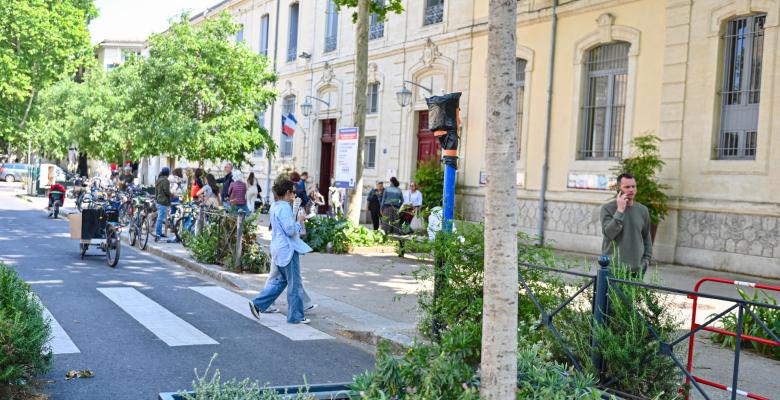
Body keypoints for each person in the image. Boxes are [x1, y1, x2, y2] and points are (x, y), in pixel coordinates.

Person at [249, 179, 313, 324]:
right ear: (287, 193)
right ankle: (295, 316)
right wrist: (299, 221)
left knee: (282, 281)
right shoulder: (284, 208)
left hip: (278, 247)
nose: (294, 195)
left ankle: (258, 304)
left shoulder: (275, 206)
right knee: (294, 284)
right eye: (293, 192)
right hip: (287, 249)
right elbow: (290, 230)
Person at [600, 172, 653, 276]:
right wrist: (620, 211)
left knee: (633, 293)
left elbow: (646, 236)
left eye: (633, 186)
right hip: (614, 269)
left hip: (637, 269)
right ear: (619, 188)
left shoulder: (643, 210)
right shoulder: (608, 208)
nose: (631, 190)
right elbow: (609, 234)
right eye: (627, 187)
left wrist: (646, 260)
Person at [155, 167, 173, 238]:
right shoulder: (165, 180)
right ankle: (158, 234)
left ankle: (159, 233)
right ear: (168, 173)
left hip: (158, 200)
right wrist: (172, 195)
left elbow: (156, 191)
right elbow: (166, 191)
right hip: (163, 201)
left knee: (160, 218)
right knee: (160, 218)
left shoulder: (158, 180)